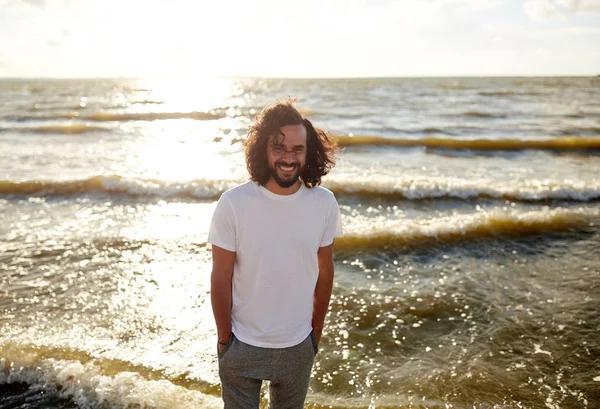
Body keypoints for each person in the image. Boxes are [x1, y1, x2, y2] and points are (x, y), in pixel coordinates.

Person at [208, 99, 343, 408]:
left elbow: (325, 270)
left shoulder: (324, 203)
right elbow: (221, 275)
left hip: (297, 344)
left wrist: (315, 333)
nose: (288, 158)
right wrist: (225, 338)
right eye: (279, 148)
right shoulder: (234, 203)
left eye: (297, 149)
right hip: (242, 343)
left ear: (308, 152)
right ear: (263, 149)